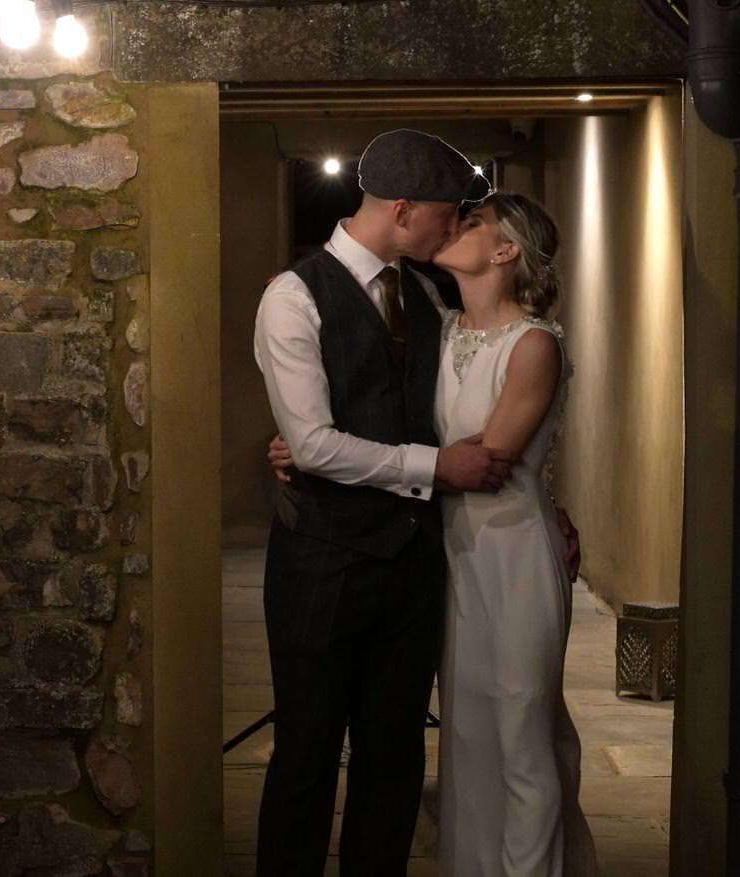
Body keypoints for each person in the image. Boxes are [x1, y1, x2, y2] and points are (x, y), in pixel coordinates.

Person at [266, 190, 594, 876]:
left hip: (510, 558)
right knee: (467, 740)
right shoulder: (437, 326)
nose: (454, 226)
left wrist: (324, 450)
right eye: (455, 215)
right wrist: (306, 442)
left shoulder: (532, 343)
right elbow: (391, 414)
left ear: (506, 251)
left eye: (472, 222)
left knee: (521, 727)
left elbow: (484, 461)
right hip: (446, 558)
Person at [250, 129, 512, 876]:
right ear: (404, 211)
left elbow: (455, 406)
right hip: (322, 566)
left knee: (394, 759)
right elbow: (312, 444)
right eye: (447, 215)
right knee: (305, 757)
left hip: (412, 567)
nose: (452, 229)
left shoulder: (423, 295)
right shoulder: (293, 296)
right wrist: (435, 467)